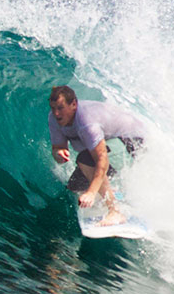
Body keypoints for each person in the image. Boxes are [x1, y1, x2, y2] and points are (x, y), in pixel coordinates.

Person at [47, 85, 146, 226]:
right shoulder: (54, 119)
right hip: (113, 142)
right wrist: (58, 154)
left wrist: (92, 193)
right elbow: (58, 148)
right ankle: (111, 191)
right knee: (75, 187)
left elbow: (102, 159)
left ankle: (115, 211)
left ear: (74, 104)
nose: (56, 113)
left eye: (60, 108)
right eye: (53, 108)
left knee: (85, 160)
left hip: (134, 141)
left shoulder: (87, 123)